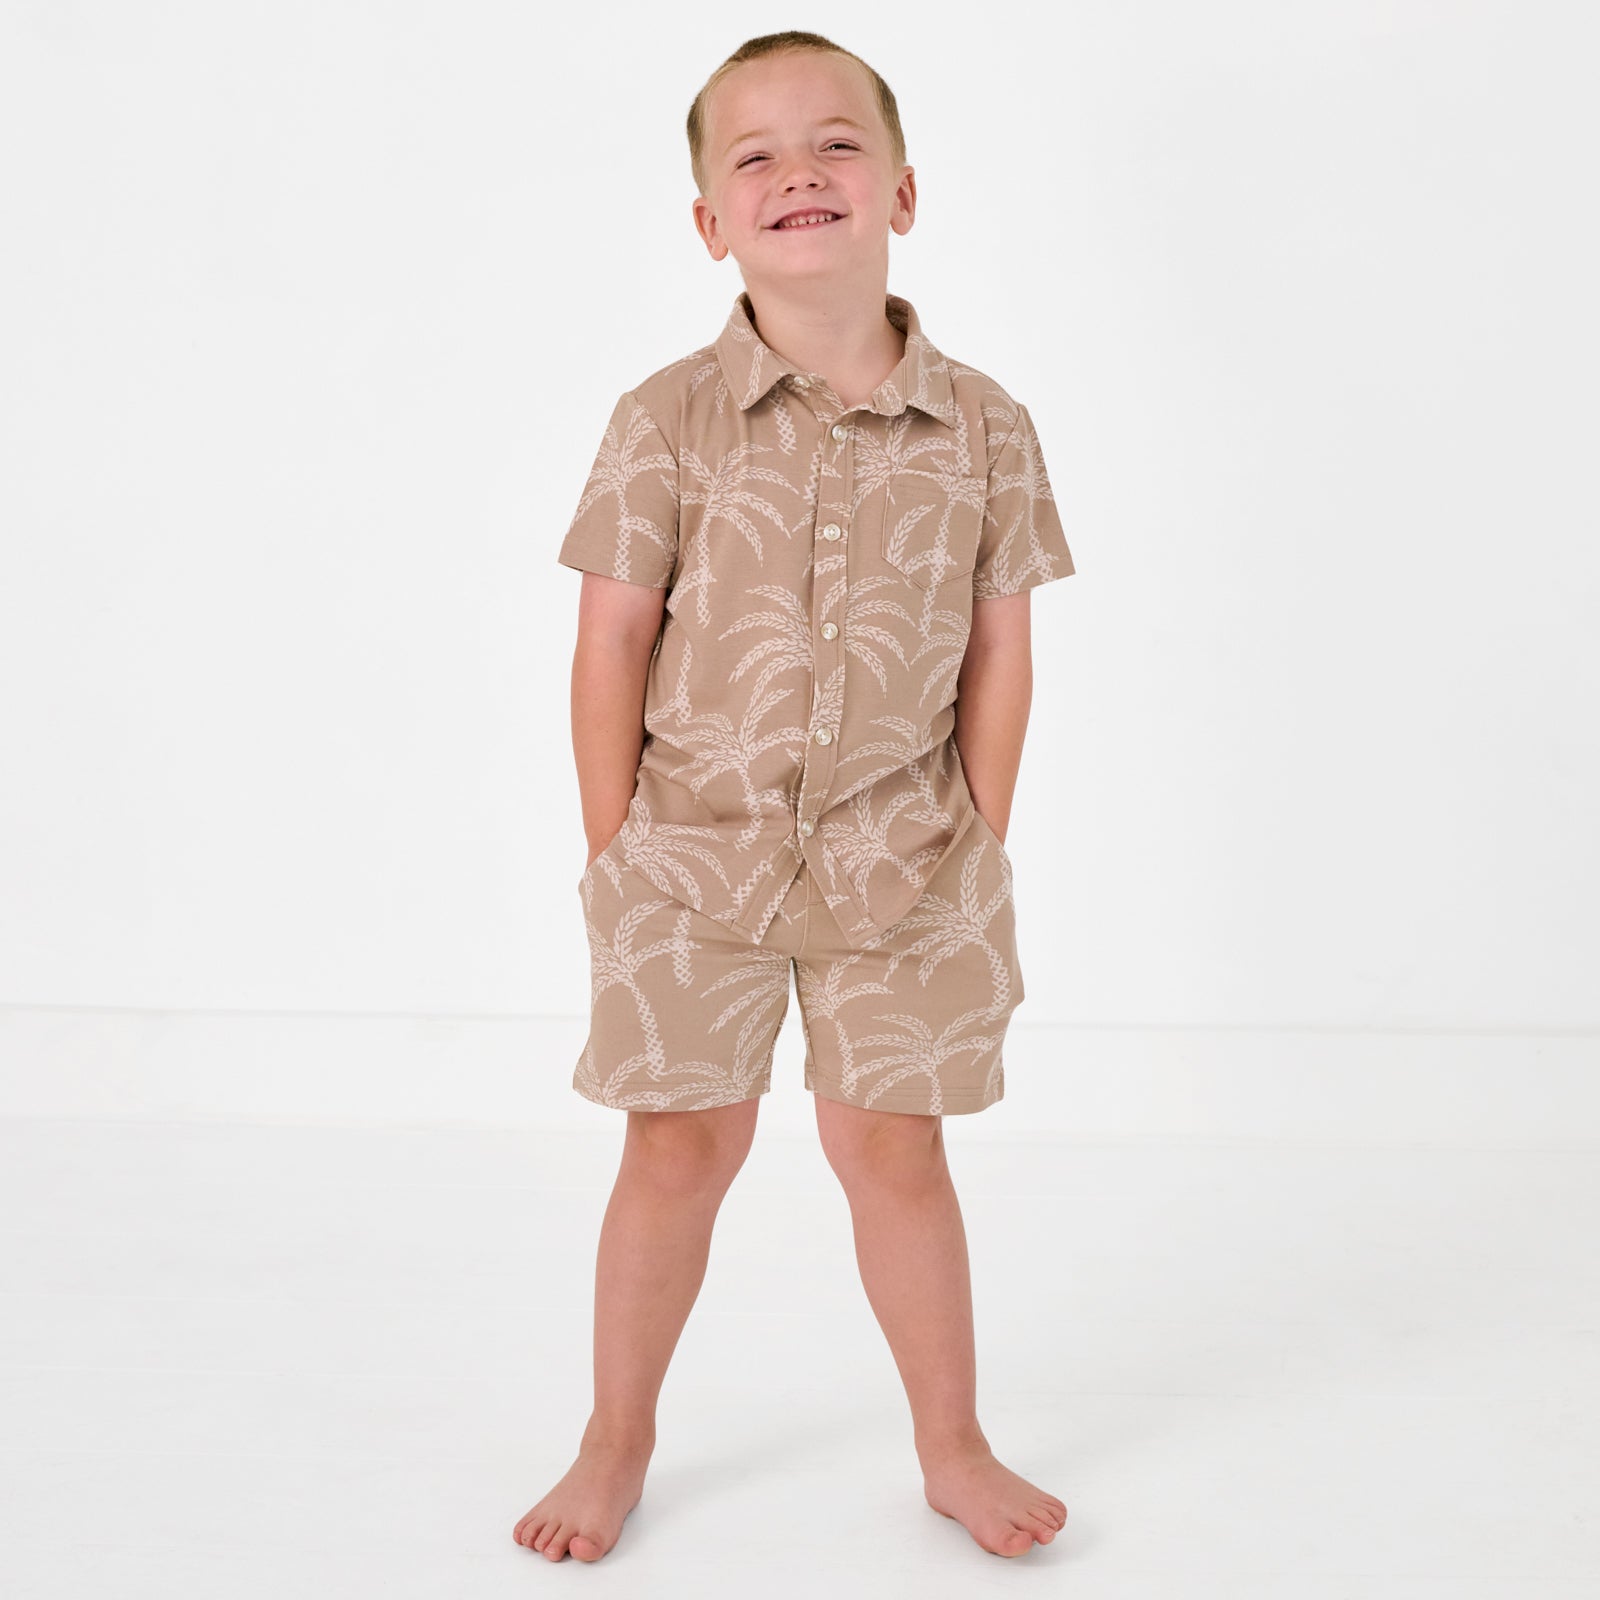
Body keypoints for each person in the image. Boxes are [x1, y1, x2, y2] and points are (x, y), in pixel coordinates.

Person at [515, 30, 1075, 1564]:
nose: (796, 173)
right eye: (751, 157)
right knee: (675, 1148)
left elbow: (1004, 647)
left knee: (893, 1149)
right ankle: (613, 1437)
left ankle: (950, 1444)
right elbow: (611, 638)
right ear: (710, 222)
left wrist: (979, 837)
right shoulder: (664, 418)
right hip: (687, 865)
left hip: (914, 864)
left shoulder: (989, 425)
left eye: (833, 145)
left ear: (899, 188)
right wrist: (613, 849)